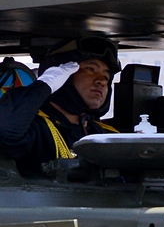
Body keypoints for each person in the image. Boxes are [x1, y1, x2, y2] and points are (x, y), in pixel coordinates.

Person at [0, 36, 124, 176]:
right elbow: (5, 133)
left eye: (106, 77)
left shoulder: (108, 136)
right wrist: (45, 85)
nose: (101, 81)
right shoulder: (35, 129)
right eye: (90, 69)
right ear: (63, 73)